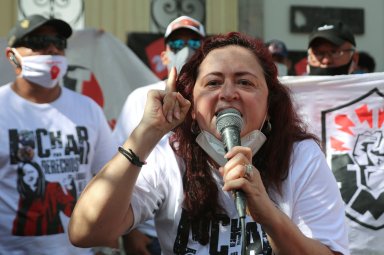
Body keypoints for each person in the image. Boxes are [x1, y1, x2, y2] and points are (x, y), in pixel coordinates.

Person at [69, 32, 349, 255]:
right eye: (213, 83)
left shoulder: (301, 156)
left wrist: (267, 214)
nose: (228, 93)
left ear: (270, 104)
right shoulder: (169, 155)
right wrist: (146, 133)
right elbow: (86, 232)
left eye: (245, 82)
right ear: (191, 105)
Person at [0, 14, 116, 254]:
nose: (52, 49)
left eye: (59, 43)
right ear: (12, 56)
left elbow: (110, 177)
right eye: (39, 42)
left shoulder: (88, 109)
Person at [113, 15, 205, 255]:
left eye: (194, 44)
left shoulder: (215, 99)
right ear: (163, 56)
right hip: (146, 231)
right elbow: (116, 165)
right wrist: (129, 232)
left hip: (206, 230)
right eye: (176, 45)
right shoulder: (140, 99)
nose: (185, 49)